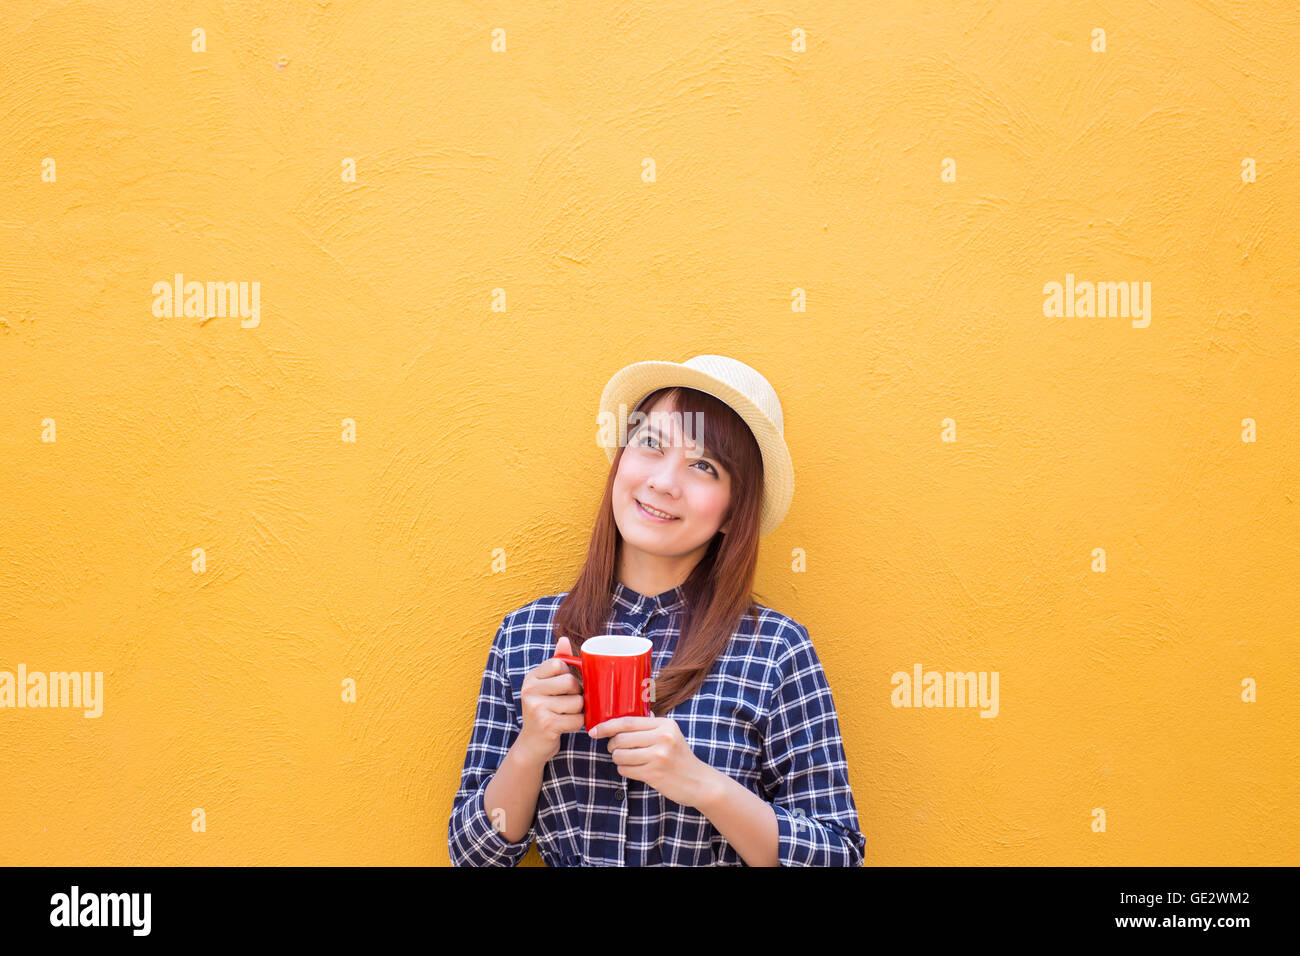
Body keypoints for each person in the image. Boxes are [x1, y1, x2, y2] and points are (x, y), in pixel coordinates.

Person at [447, 354, 864, 866]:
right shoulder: (527, 635)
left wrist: (705, 785)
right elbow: (471, 856)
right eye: (651, 444)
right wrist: (530, 748)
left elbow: (839, 855)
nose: (665, 482)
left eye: (704, 466)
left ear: (734, 512)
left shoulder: (776, 650)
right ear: (622, 458)